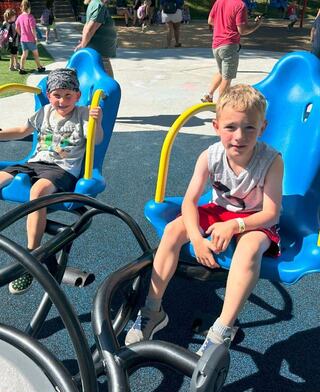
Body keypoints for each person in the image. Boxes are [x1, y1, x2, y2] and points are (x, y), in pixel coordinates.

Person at [125, 84, 283, 357]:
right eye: (230, 127)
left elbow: (271, 213)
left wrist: (235, 225)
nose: (239, 136)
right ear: (216, 126)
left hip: (253, 219)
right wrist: (197, 239)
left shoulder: (271, 161)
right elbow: (189, 202)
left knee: (249, 248)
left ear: (263, 127)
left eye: (249, 128)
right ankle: (153, 309)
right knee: (175, 230)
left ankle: (222, 328)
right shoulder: (210, 156)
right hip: (218, 210)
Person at [0, 68, 103, 295]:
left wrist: (98, 121)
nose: (62, 100)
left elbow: (96, 141)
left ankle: (31, 258)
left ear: (77, 96)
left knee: (37, 194)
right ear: (49, 96)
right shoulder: (44, 111)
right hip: (33, 162)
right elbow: (22, 131)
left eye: (68, 95)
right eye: (57, 95)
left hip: (61, 169)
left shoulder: (84, 113)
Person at [201, 0, 262, 103]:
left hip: (216, 44)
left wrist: (224, 25)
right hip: (229, 45)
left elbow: (210, 21)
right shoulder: (240, 5)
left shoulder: (219, 1)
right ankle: (221, 106)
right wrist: (257, 25)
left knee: (221, 72)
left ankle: (208, 95)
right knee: (227, 78)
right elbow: (242, 30)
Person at [75, 0, 117, 78]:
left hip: (101, 54)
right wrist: (83, 46)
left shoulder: (95, 4)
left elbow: (87, 26)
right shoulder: (98, 5)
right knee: (108, 86)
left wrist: (83, 43)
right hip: (100, 55)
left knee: (104, 83)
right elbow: (90, 29)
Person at [15, 0, 46, 75]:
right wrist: (35, 38)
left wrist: (21, 34)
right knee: (36, 54)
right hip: (30, 39)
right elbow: (33, 28)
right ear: (29, 7)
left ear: (22, 7)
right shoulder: (30, 17)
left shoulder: (19, 17)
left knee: (24, 54)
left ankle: (21, 68)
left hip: (23, 39)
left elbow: (16, 27)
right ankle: (39, 67)